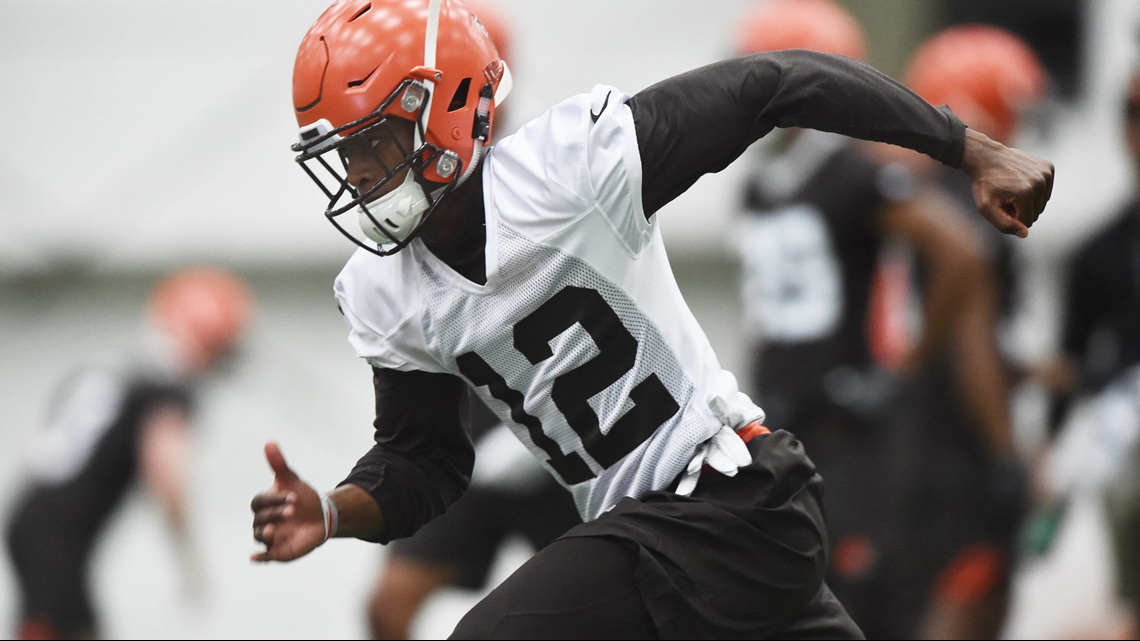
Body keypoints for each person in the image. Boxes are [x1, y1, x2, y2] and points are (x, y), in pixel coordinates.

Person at [249, 1, 1054, 637]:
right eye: (344, 155)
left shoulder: (570, 169)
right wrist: (332, 509)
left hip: (727, 498)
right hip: (674, 539)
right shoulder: (386, 291)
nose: (356, 175)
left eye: (374, 144)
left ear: (448, 108)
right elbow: (424, 461)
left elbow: (771, 84)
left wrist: (965, 147)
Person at [729, 2, 1003, 637]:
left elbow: (961, 253)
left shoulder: (853, 172)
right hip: (782, 416)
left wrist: (899, 370)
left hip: (848, 425)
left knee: (858, 604)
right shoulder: (763, 180)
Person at [886, 25, 1047, 639]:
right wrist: (1006, 451)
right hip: (955, 439)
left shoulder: (906, 195)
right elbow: (970, 335)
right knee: (970, 595)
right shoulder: (968, 207)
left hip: (905, 431)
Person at [5, 268, 253, 640]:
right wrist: (188, 559)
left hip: (32, 521)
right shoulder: (165, 391)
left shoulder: (118, 370)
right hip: (56, 542)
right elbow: (167, 473)